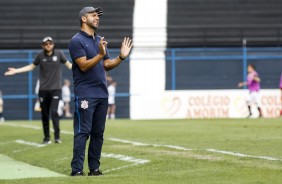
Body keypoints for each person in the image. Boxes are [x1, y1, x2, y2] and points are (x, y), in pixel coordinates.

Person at [68, 6, 133, 176]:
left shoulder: (99, 40)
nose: (97, 18)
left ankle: (94, 169)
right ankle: (76, 170)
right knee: (83, 131)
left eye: (98, 16)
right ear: (84, 18)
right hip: (85, 94)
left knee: (98, 133)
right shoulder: (76, 41)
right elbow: (83, 66)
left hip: (101, 94)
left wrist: (121, 57)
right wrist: (99, 54)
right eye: (93, 15)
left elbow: (106, 64)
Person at [5, 36, 72, 144]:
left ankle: (57, 137)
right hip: (43, 89)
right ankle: (46, 137)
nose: (48, 45)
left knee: (54, 112)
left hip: (56, 89)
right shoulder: (40, 55)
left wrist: (83, 69)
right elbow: (31, 67)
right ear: (43, 46)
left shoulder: (59, 53)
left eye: (50, 43)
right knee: (44, 114)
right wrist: (16, 71)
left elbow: (69, 65)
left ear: (53, 44)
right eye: (46, 44)